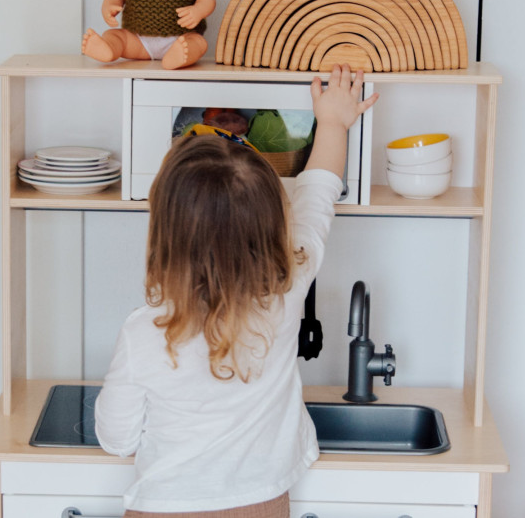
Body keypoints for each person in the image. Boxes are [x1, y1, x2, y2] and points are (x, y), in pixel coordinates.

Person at [95, 65, 379, 517]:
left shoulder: (146, 331)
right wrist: (332, 122)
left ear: (165, 234)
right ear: (272, 221)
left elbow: (116, 440)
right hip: (261, 507)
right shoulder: (287, 293)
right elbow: (317, 196)